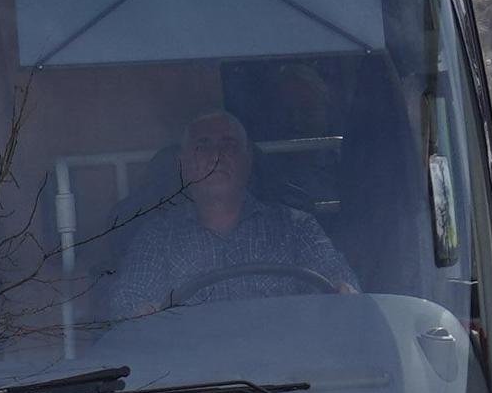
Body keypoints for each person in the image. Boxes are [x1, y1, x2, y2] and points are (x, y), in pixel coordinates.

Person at [98, 107, 357, 318]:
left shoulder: (295, 227)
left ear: (248, 160)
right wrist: (140, 312)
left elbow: (340, 282)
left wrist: (343, 289)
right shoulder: (158, 235)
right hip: (191, 375)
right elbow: (128, 301)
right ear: (185, 165)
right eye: (203, 146)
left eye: (229, 146)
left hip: (287, 370)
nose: (216, 157)